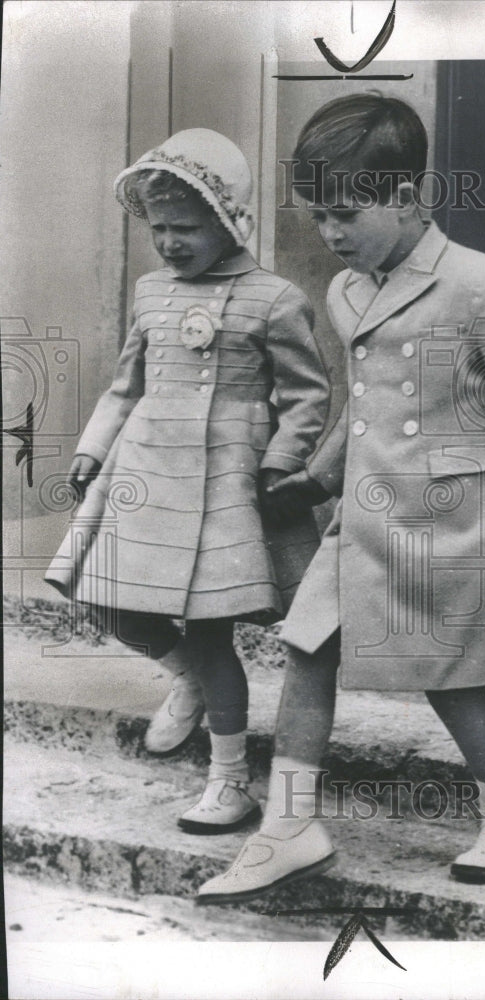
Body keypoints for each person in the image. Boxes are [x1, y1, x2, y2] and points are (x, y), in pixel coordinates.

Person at [196, 94, 485, 903]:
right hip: (363, 522)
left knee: (451, 675)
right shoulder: (346, 292)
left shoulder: (482, 283)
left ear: (406, 198)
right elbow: (361, 407)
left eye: (343, 213)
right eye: (317, 217)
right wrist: (314, 476)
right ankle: (291, 826)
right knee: (307, 648)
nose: (329, 234)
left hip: (453, 522)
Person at [46, 128, 330, 835]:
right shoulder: (151, 293)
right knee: (106, 598)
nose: (170, 243)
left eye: (186, 228)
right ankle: (186, 679)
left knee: (210, 633)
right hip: (145, 466)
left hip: (228, 481)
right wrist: (92, 448)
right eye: (160, 229)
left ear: (228, 219)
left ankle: (229, 782)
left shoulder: (274, 299)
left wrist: (280, 461)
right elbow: (124, 386)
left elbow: (307, 397)